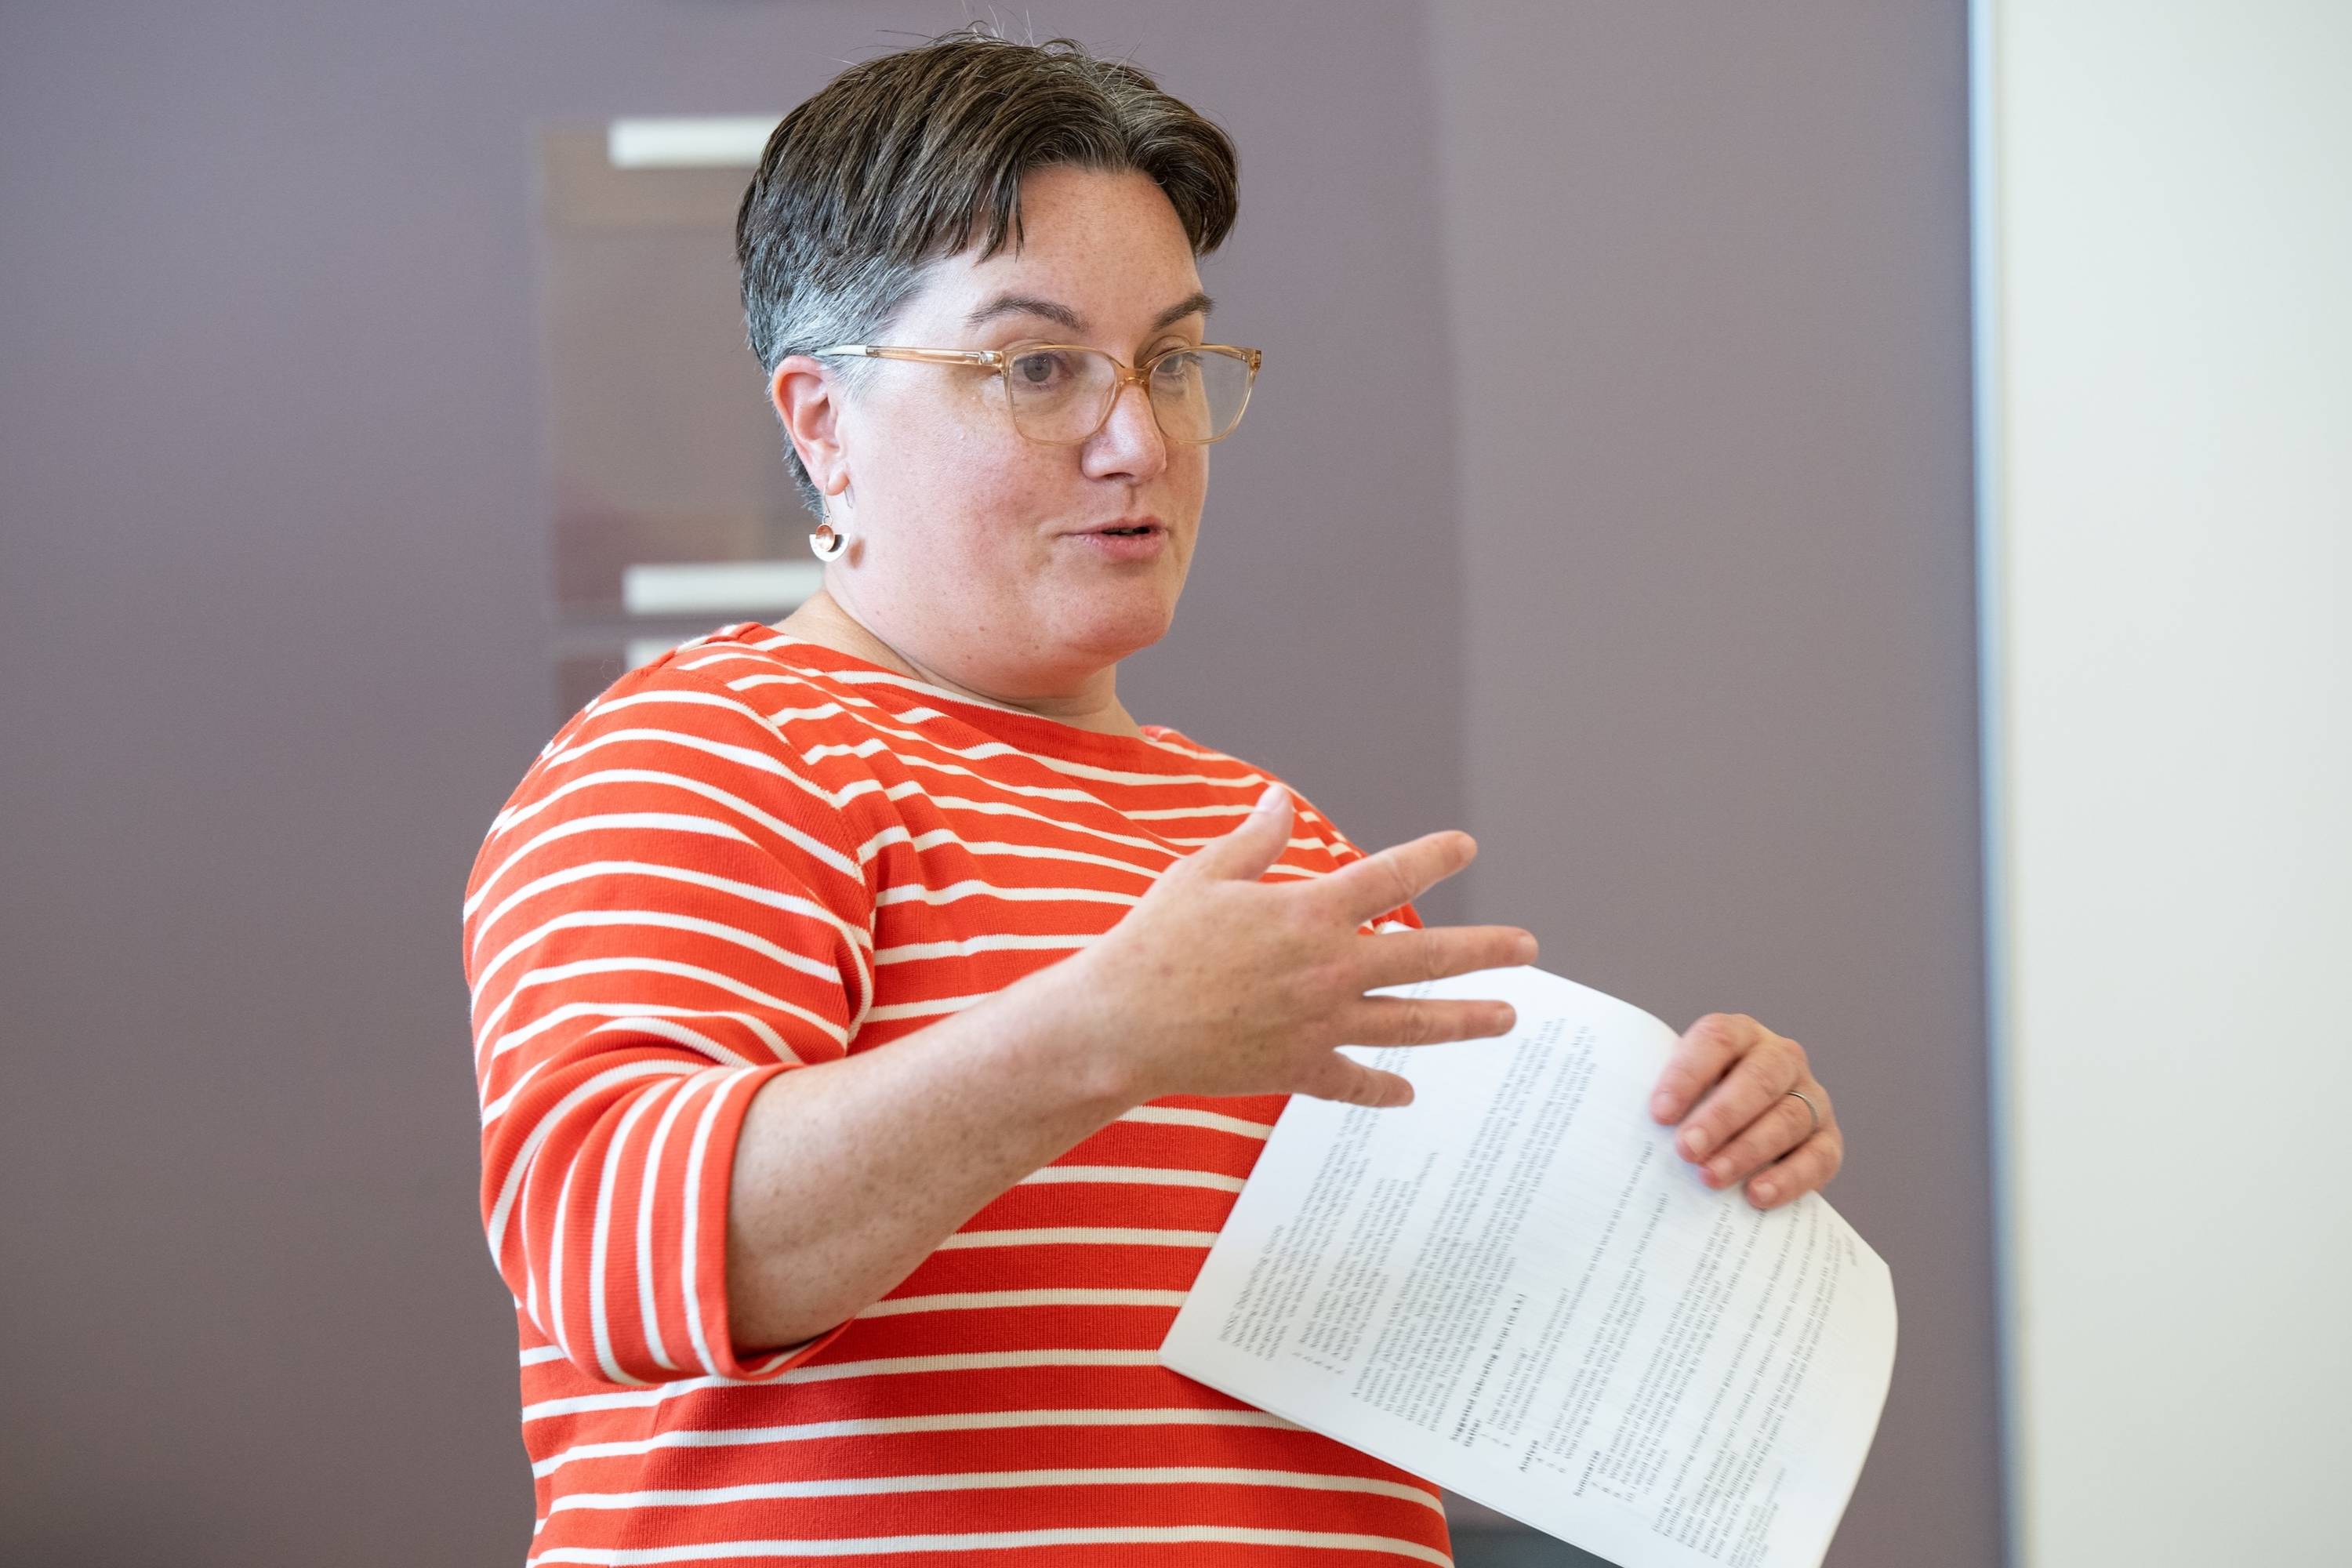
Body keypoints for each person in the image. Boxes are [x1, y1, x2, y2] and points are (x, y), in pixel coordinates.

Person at [463, 25, 1846, 1565]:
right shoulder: (708, 750)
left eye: (1173, 361)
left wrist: (1697, 1158)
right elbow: (607, 1253)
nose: (1140, 440)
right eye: (1038, 366)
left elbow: (1477, 1359)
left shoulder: (1269, 840)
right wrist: (1098, 1038)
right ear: (822, 422)